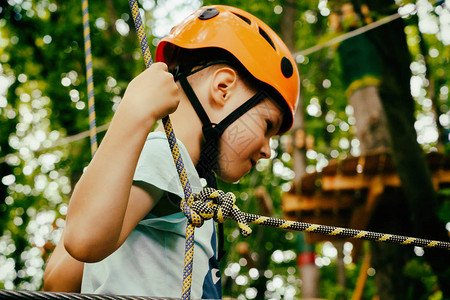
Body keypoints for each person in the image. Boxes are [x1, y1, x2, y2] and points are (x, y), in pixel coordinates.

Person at [43, 5, 299, 299]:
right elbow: (84, 241)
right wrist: (133, 113)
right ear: (223, 87)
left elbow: (59, 279)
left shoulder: (189, 186)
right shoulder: (163, 155)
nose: (268, 150)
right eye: (268, 125)